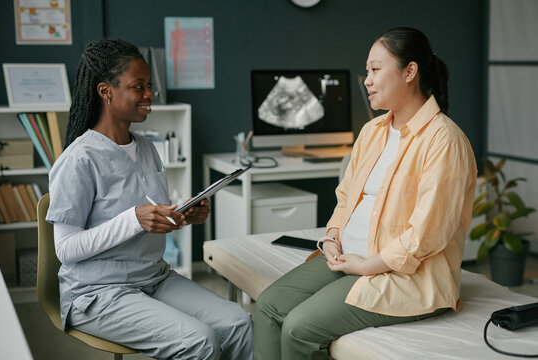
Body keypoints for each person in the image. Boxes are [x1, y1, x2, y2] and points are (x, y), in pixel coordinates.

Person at [253, 27, 477, 360]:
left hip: (403, 273)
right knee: (269, 307)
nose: (367, 80)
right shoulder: (372, 132)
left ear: (410, 72)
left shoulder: (444, 141)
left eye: (375, 70)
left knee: (299, 328)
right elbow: (346, 199)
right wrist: (332, 237)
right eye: (366, 72)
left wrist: (367, 265)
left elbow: (427, 234)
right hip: (349, 254)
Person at [46, 38, 252, 360]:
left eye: (149, 85)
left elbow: (150, 211)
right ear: (105, 91)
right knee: (200, 341)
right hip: (97, 293)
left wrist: (183, 211)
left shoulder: (145, 147)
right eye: (138, 86)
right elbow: (66, 249)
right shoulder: (79, 159)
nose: (149, 94)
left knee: (239, 323)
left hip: (153, 277)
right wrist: (133, 219)